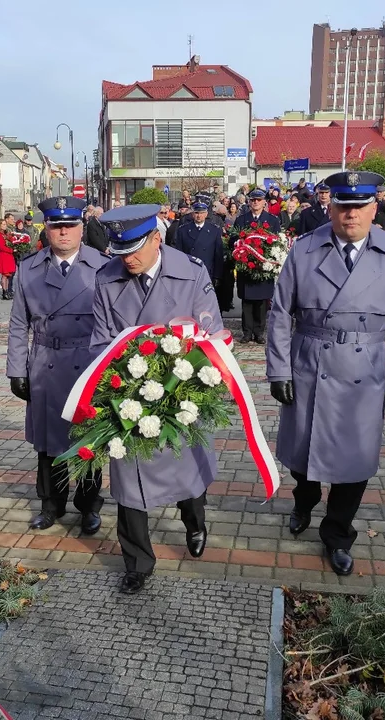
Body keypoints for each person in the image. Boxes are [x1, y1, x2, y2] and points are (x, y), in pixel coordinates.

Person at [265, 170, 385, 576]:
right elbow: (281, 314)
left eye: (359, 206)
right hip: (309, 362)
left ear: (374, 208)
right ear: (330, 207)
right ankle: (304, 499)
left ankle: (337, 535)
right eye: (343, 206)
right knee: (303, 452)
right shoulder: (304, 250)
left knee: (354, 463)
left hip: (363, 369)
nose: (350, 214)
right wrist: (278, 370)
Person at [91, 204, 220, 594]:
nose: (127, 259)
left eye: (134, 249)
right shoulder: (106, 279)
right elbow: (98, 342)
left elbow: (211, 335)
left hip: (181, 392)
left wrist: (183, 382)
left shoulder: (191, 273)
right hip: (128, 397)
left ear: (156, 239)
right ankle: (137, 561)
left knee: (186, 470)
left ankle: (195, 524)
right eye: (119, 251)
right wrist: (120, 384)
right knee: (128, 482)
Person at [7, 196, 108, 536]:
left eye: (70, 225)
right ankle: (51, 505)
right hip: (46, 362)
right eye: (56, 226)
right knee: (49, 442)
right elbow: (18, 324)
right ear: (46, 229)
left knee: (90, 440)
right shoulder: (28, 268)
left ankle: (90, 506)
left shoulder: (103, 266)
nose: (63, 232)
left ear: (82, 228)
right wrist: (16, 370)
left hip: (89, 363)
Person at [234, 188, 281, 344]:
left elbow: (277, 243)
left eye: (258, 200)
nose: (255, 202)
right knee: (247, 301)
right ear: (249, 202)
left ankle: (259, 332)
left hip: (263, 267)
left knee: (262, 302)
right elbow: (233, 239)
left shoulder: (272, 220)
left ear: (264, 202)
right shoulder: (241, 220)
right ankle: (247, 332)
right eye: (253, 200)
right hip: (246, 266)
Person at [174, 200, 224, 284]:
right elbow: (179, 253)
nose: (199, 216)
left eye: (202, 213)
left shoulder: (214, 230)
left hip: (207, 271)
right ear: (193, 214)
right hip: (189, 272)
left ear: (206, 214)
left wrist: (217, 275)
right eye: (196, 213)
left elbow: (218, 255)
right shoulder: (183, 230)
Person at [0, 218, 16, 299]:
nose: (5, 226)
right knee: (4, 275)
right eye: (3, 224)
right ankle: (4, 293)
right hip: (4, 255)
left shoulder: (6, 233)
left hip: (9, 256)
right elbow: (1, 247)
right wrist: (11, 250)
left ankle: (7, 291)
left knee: (8, 275)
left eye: (5, 224)